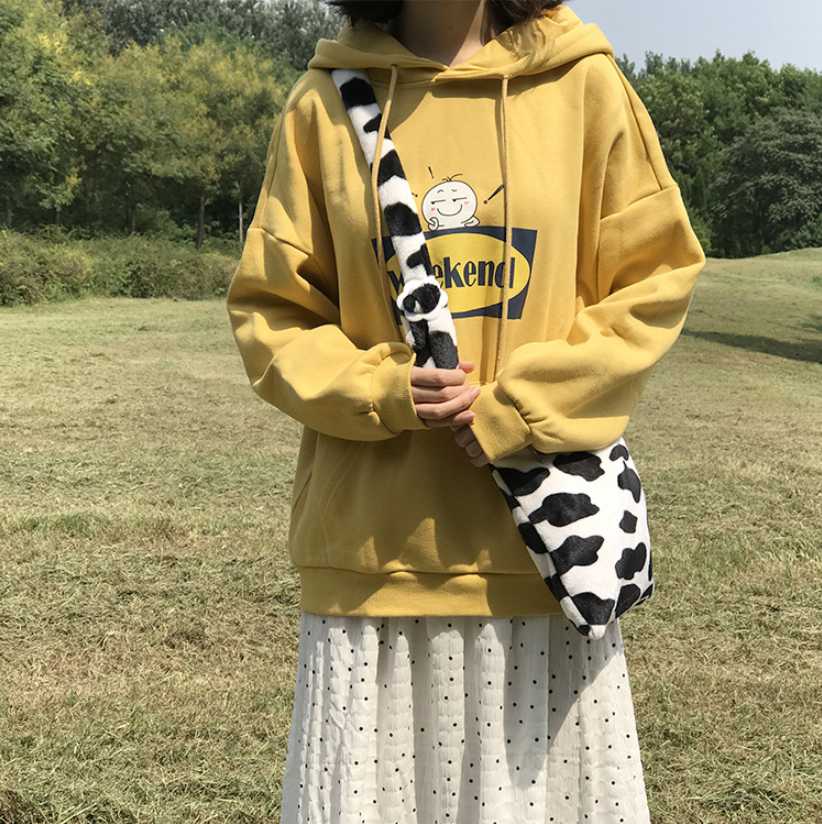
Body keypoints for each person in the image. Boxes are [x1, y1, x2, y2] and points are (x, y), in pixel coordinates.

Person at [225, 0, 706, 821]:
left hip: (538, 564)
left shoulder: (585, 84)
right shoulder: (323, 103)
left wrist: (520, 409)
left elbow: (654, 279)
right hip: (373, 564)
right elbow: (271, 313)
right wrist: (381, 389)